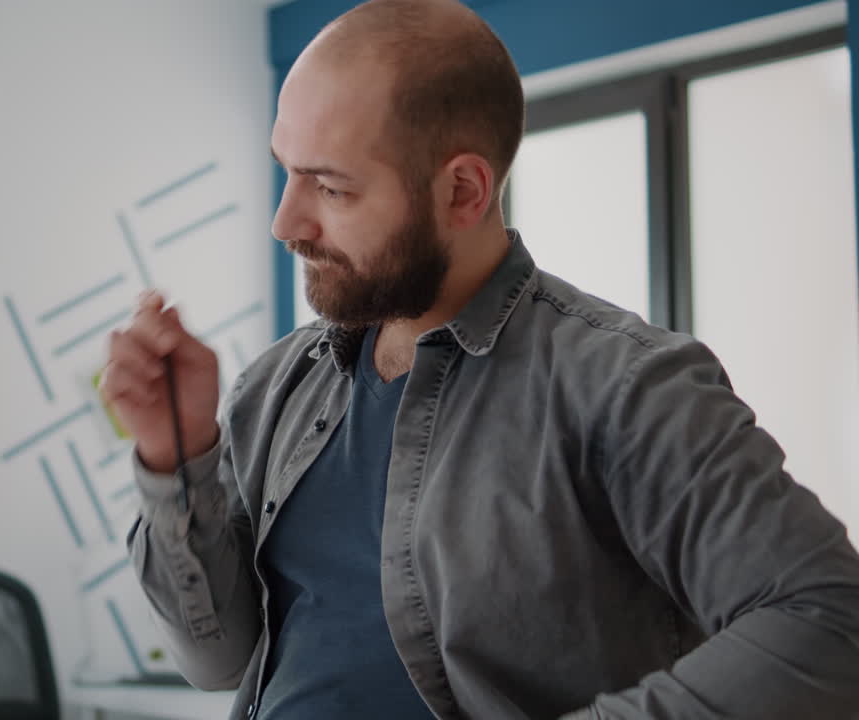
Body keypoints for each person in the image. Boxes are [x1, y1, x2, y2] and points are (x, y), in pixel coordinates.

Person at [100, 1, 859, 718]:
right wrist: (176, 452)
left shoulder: (627, 387)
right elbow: (217, 659)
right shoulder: (275, 388)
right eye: (286, 170)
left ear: (463, 191)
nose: (285, 221)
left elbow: (829, 620)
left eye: (330, 186)